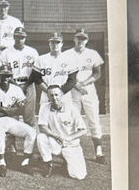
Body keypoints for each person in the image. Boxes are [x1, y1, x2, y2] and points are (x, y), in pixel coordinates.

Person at [64, 28, 106, 164]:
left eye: (83, 38)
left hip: (88, 89)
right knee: (71, 120)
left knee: (93, 119)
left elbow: (97, 73)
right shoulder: (67, 54)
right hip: (72, 90)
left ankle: (99, 152)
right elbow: (64, 73)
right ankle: (70, 150)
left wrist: (84, 83)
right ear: (74, 39)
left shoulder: (93, 54)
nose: (80, 41)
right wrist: (77, 85)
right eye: (78, 38)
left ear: (87, 40)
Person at [0, 64, 36, 177]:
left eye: (8, 75)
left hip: (10, 120)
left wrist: (1, 109)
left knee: (31, 132)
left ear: (11, 76)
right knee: (0, 134)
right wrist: (10, 110)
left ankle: (25, 162)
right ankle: (1, 162)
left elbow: (21, 110)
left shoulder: (16, 90)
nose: (5, 78)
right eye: (3, 75)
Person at [37, 85, 87, 180]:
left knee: (79, 175)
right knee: (41, 137)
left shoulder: (72, 108)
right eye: (51, 95)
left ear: (61, 95)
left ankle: (66, 160)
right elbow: (42, 127)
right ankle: (48, 163)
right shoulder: (44, 107)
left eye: (56, 95)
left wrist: (68, 138)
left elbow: (83, 130)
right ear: (48, 97)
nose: (54, 98)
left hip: (70, 144)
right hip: (56, 141)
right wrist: (57, 137)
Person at [0, 27, 39, 127]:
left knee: (29, 118)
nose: (20, 39)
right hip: (12, 85)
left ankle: (30, 141)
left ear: (25, 38)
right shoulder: (6, 53)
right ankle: (12, 142)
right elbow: (5, 74)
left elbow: (36, 72)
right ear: (14, 37)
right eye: (17, 37)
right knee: (12, 117)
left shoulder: (32, 52)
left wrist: (25, 85)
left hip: (29, 84)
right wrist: (16, 85)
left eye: (22, 37)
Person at [30, 32, 78, 106]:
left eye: (57, 42)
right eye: (52, 42)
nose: (55, 45)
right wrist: (49, 91)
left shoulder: (69, 59)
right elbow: (36, 78)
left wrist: (60, 92)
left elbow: (72, 80)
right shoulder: (41, 59)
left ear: (62, 44)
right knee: (45, 116)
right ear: (49, 43)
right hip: (46, 94)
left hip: (64, 95)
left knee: (64, 117)